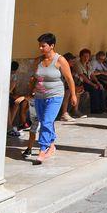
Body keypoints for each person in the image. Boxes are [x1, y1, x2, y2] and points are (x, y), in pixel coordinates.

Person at [31, 33, 78, 163]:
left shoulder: (60, 60)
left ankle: (42, 149)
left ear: (52, 46)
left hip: (55, 95)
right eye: (39, 46)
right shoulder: (38, 61)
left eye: (43, 46)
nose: (40, 48)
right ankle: (51, 145)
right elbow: (34, 77)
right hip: (40, 96)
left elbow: (69, 78)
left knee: (46, 121)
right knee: (46, 121)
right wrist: (32, 89)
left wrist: (73, 95)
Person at [76, 49, 107, 113]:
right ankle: (95, 109)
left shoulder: (88, 64)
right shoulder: (78, 64)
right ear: (80, 56)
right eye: (84, 56)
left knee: (100, 87)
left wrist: (98, 82)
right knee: (94, 89)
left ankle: (102, 107)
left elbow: (92, 74)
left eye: (87, 56)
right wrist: (93, 84)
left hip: (88, 81)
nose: (86, 58)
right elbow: (83, 77)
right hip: (81, 82)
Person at [7, 61, 25, 138]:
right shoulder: (13, 75)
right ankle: (9, 127)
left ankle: (9, 126)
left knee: (16, 103)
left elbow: (13, 88)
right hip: (6, 95)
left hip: (9, 95)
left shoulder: (12, 75)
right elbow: (12, 87)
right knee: (13, 105)